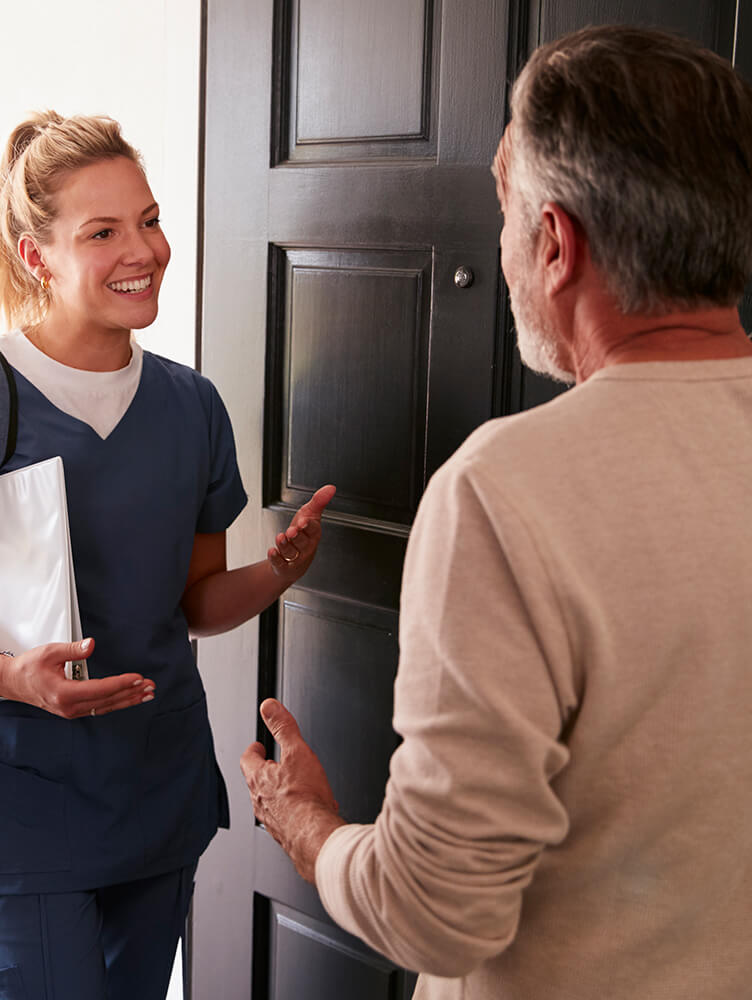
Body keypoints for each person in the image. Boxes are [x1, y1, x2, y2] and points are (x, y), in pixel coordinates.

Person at [241, 25, 752, 1000]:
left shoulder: (506, 489)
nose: (502, 248)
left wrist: (305, 824)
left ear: (554, 243)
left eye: (505, 212)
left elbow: (435, 911)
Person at [0, 111, 335, 1000]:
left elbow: (196, 602)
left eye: (150, 221)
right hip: (13, 796)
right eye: (103, 232)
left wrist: (278, 572)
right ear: (35, 254)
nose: (144, 251)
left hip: (155, 784)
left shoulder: (191, 407)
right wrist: (7, 672)